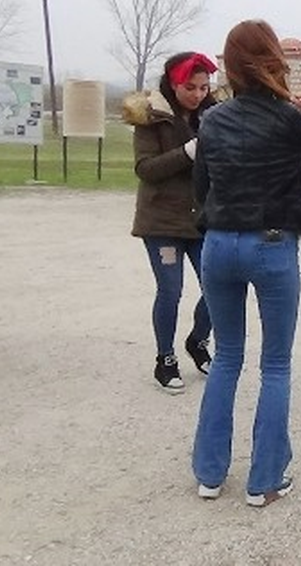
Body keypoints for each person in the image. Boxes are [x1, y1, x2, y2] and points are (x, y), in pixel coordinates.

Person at [191, 20, 301, 506]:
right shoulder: (291, 121)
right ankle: (264, 480)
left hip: (219, 244)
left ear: (230, 66)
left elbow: (199, 191)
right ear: (274, 60)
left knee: (227, 356)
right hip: (271, 245)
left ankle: (209, 475)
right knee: (274, 364)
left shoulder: (212, 121)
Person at [124, 51, 219, 392]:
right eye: (190, 87)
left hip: (201, 219)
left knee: (216, 286)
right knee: (170, 290)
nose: (197, 95)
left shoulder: (213, 114)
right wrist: (188, 153)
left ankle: (197, 340)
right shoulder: (151, 117)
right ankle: (165, 358)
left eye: (204, 87)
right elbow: (144, 169)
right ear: (173, 84)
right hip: (161, 220)